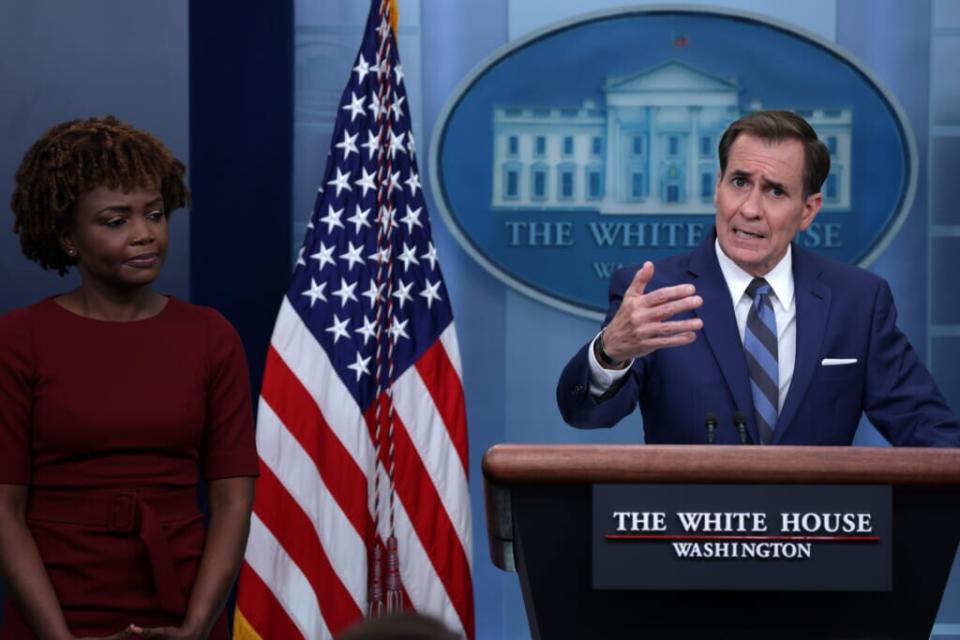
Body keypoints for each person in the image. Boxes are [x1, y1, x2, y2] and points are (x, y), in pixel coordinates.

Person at [557, 110, 960, 447]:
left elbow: (927, 428)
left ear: (808, 210)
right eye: (739, 183)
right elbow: (586, 414)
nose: (749, 209)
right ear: (717, 187)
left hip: (818, 537)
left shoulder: (857, 301)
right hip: (686, 535)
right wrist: (611, 352)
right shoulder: (658, 294)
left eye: (775, 192)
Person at [0, 116, 259, 639]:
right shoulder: (18, 339)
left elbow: (233, 501)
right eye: (116, 221)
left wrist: (195, 627)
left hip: (184, 606)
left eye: (156, 215)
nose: (145, 235)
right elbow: (3, 509)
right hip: (56, 614)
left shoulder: (211, 336)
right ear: (68, 237)